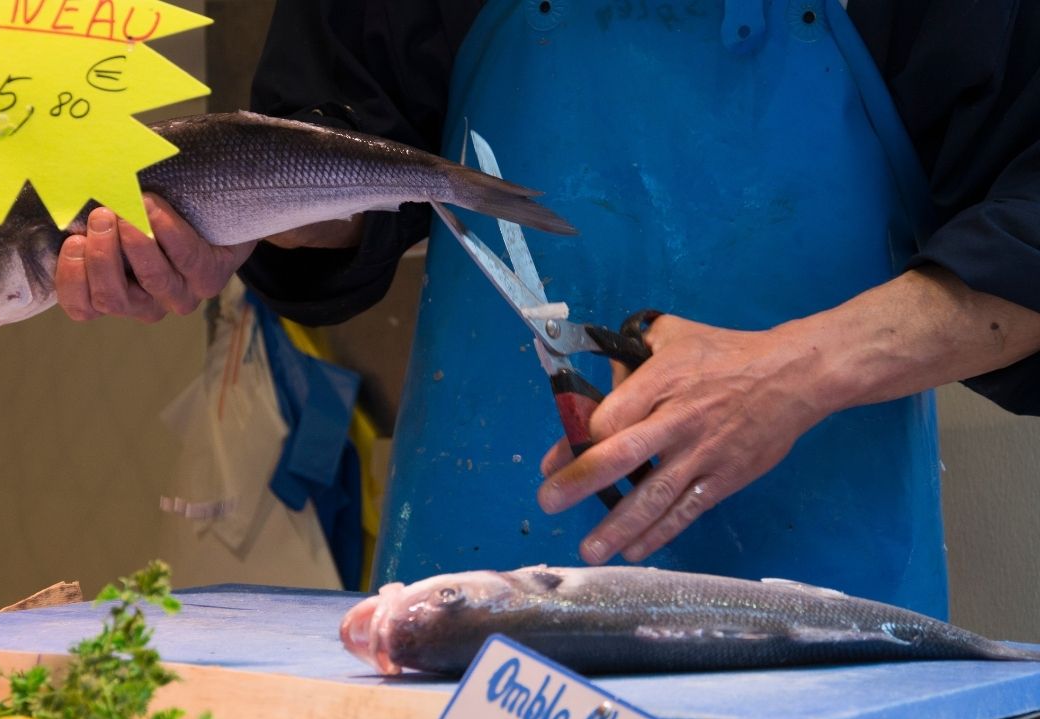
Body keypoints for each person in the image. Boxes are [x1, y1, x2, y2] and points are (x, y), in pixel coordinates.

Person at [53, 0, 1040, 618]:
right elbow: (339, 125)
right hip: (477, 574)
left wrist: (792, 370)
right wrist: (243, 213)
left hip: (821, 584)